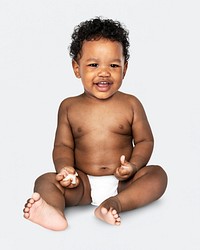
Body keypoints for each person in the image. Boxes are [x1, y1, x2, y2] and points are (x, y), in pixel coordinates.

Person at [23, 17, 168, 231]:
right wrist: (65, 170)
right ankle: (52, 210)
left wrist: (133, 166)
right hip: (83, 184)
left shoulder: (131, 104)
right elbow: (63, 146)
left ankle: (114, 204)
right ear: (76, 68)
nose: (104, 72)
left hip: (123, 183)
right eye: (93, 64)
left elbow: (145, 140)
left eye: (113, 65)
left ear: (125, 68)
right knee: (45, 180)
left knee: (158, 175)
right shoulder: (69, 106)